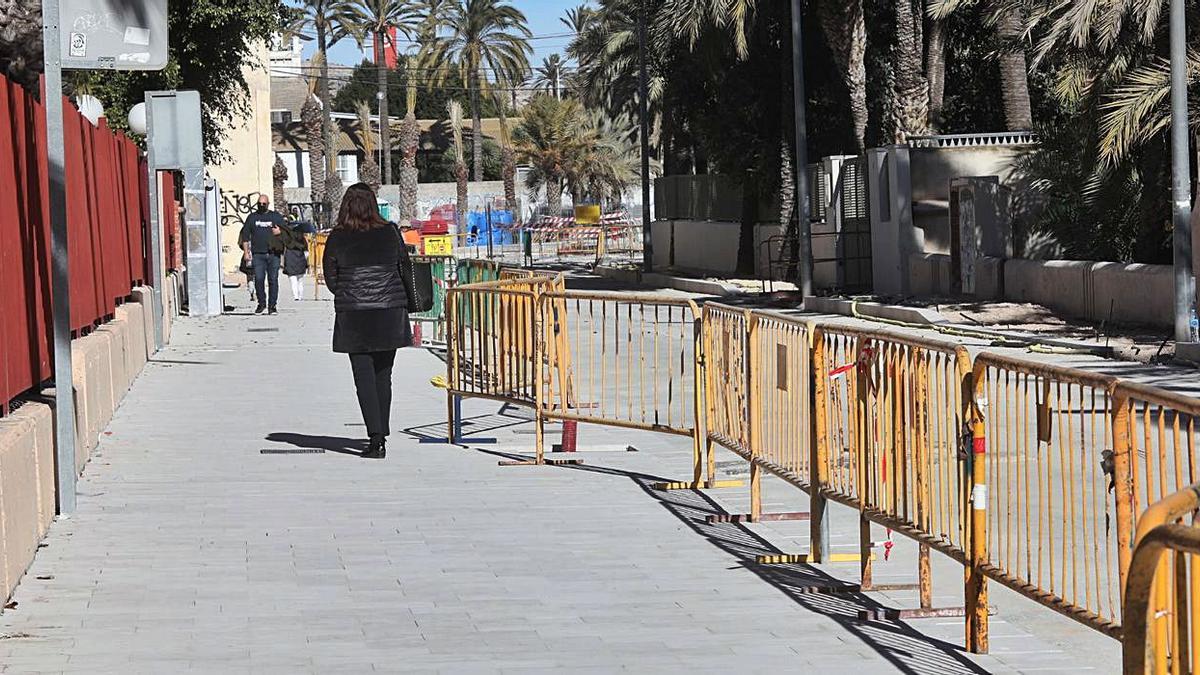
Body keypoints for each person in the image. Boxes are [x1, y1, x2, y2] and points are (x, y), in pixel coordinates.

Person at [322, 183, 416, 459]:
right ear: (373, 204)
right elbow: (404, 267)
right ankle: (381, 433)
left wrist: (350, 290)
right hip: (389, 311)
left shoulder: (338, 237)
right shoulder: (389, 232)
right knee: (383, 376)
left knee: (363, 377)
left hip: (354, 315)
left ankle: (375, 438)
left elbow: (331, 277)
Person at [240, 194, 287, 314]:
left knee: (273, 280)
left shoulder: (275, 216)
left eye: (263, 204)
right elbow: (245, 236)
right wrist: (246, 253)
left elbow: (287, 232)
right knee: (259, 279)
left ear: (268, 204)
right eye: (259, 204)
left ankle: (272, 306)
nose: (261, 206)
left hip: (273, 254)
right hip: (258, 254)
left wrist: (279, 231)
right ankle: (261, 303)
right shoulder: (252, 217)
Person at [281, 223, 310, 301]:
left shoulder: (288, 238)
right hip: (300, 259)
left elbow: (284, 249)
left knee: (293, 280)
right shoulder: (302, 239)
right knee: (300, 280)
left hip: (290, 259)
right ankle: (300, 296)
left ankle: (296, 296)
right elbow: (306, 252)